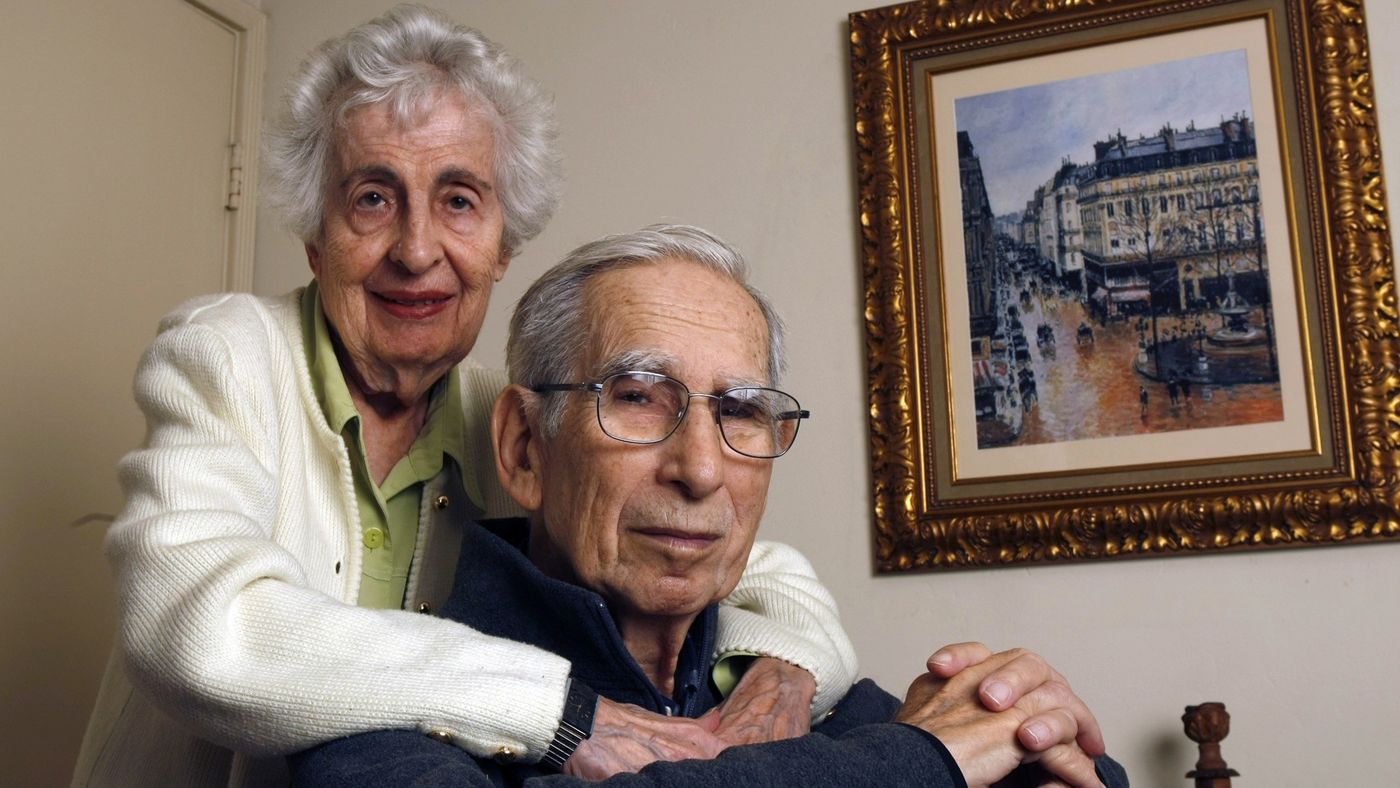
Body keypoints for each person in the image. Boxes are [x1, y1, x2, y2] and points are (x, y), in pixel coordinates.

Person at [72, 9, 858, 786]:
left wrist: (784, 670)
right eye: (373, 199)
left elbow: (745, 559)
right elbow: (196, 629)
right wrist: (561, 712)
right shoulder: (228, 355)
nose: (417, 252)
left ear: (503, 245)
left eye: (458, 201)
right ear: (315, 236)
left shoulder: (515, 415)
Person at [292, 225, 1128, 787]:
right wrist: (920, 764)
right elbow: (927, 761)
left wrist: (1015, 735)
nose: (700, 469)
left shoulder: (808, 696)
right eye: (638, 398)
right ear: (523, 448)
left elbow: (1079, 768)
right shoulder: (385, 716)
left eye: (739, 411)